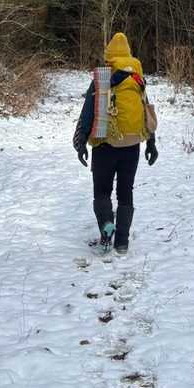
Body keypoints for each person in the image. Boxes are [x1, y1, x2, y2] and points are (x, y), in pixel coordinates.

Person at [73, 32, 158, 255]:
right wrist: (151, 143)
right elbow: (146, 111)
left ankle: (106, 226)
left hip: (105, 144)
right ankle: (122, 242)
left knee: (102, 191)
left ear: (109, 55)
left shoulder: (103, 77)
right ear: (128, 53)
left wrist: (80, 142)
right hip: (132, 145)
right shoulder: (137, 78)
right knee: (125, 191)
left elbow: (88, 113)